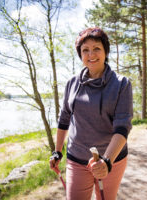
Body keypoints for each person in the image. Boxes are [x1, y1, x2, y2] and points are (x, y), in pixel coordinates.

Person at [49, 27, 133, 200]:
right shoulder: (72, 83)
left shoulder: (121, 84)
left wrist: (107, 161)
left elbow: (122, 127)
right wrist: (57, 151)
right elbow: (64, 118)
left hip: (112, 160)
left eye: (96, 48)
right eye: (85, 50)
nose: (91, 54)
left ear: (105, 51)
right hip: (76, 158)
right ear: (80, 54)